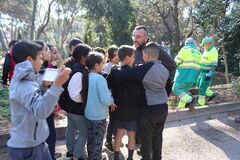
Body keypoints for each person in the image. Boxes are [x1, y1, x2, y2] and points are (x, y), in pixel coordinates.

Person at [7, 40, 71, 160]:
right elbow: (41, 111)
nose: (42, 62)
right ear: (29, 60)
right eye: (39, 58)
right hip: (27, 149)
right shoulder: (23, 84)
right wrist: (57, 84)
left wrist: (44, 87)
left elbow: (36, 102)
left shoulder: (27, 80)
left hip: (36, 144)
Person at [111, 42, 170, 160]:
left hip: (148, 109)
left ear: (147, 55)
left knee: (146, 139)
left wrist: (113, 69)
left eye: (143, 55)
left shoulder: (145, 68)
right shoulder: (165, 69)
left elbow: (123, 74)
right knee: (158, 137)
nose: (142, 58)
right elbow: (168, 88)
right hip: (163, 107)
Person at [81, 52, 117, 160]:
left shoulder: (86, 76)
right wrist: (112, 102)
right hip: (98, 116)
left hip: (88, 114)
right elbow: (105, 99)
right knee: (97, 143)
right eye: (102, 63)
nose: (103, 65)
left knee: (91, 141)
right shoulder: (100, 79)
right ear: (96, 65)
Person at [108, 45, 139, 160]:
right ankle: (130, 157)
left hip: (118, 108)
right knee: (132, 134)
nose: (134, 59)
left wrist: (110, 100)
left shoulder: (114, 72)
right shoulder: (134, 72)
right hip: (132, 110)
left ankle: (116, 156)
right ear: (127, 58)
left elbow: (106, 86)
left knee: (119, 134)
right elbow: (137, 92)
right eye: (133, 56)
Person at [62, 44, 92, 160]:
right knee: (84, 132)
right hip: (76, 108)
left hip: (69, 106)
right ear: (83, 57)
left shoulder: (72, 66)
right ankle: (77, 155)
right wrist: (86, 99)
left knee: (71, 129)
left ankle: (70, 153)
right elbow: (75, 94)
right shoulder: (79, 72)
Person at [172, 38, 201, 109]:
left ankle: (191, 100)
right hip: (193, 77)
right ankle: (181, 107)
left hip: (183, 75)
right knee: (184, 93)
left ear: (186, 44)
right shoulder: (199, 53)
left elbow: (176, 61)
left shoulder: (185, 50)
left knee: (175, 88)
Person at [103, 45, 119, 152]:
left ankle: (115, 138)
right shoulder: (107, 66)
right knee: (113, 121)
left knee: (117, 120)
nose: (118, 56)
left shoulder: (119, 65)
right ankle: (108, 141)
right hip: (111, 98)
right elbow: (106, 85)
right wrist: (110, 100)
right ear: (111, 55)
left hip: (118, 97)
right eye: (116, 54)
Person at [197, 37, 219, 106]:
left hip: (207, 72)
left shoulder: (213, 51)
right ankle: (212, 94)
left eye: (204, 45)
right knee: (198, 84)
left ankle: (201, 103)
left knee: (202, 88)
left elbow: (214, 64)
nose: (203, 46)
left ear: (208, 44)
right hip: (202, 72)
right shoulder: (206, 50)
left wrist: (210, 73)